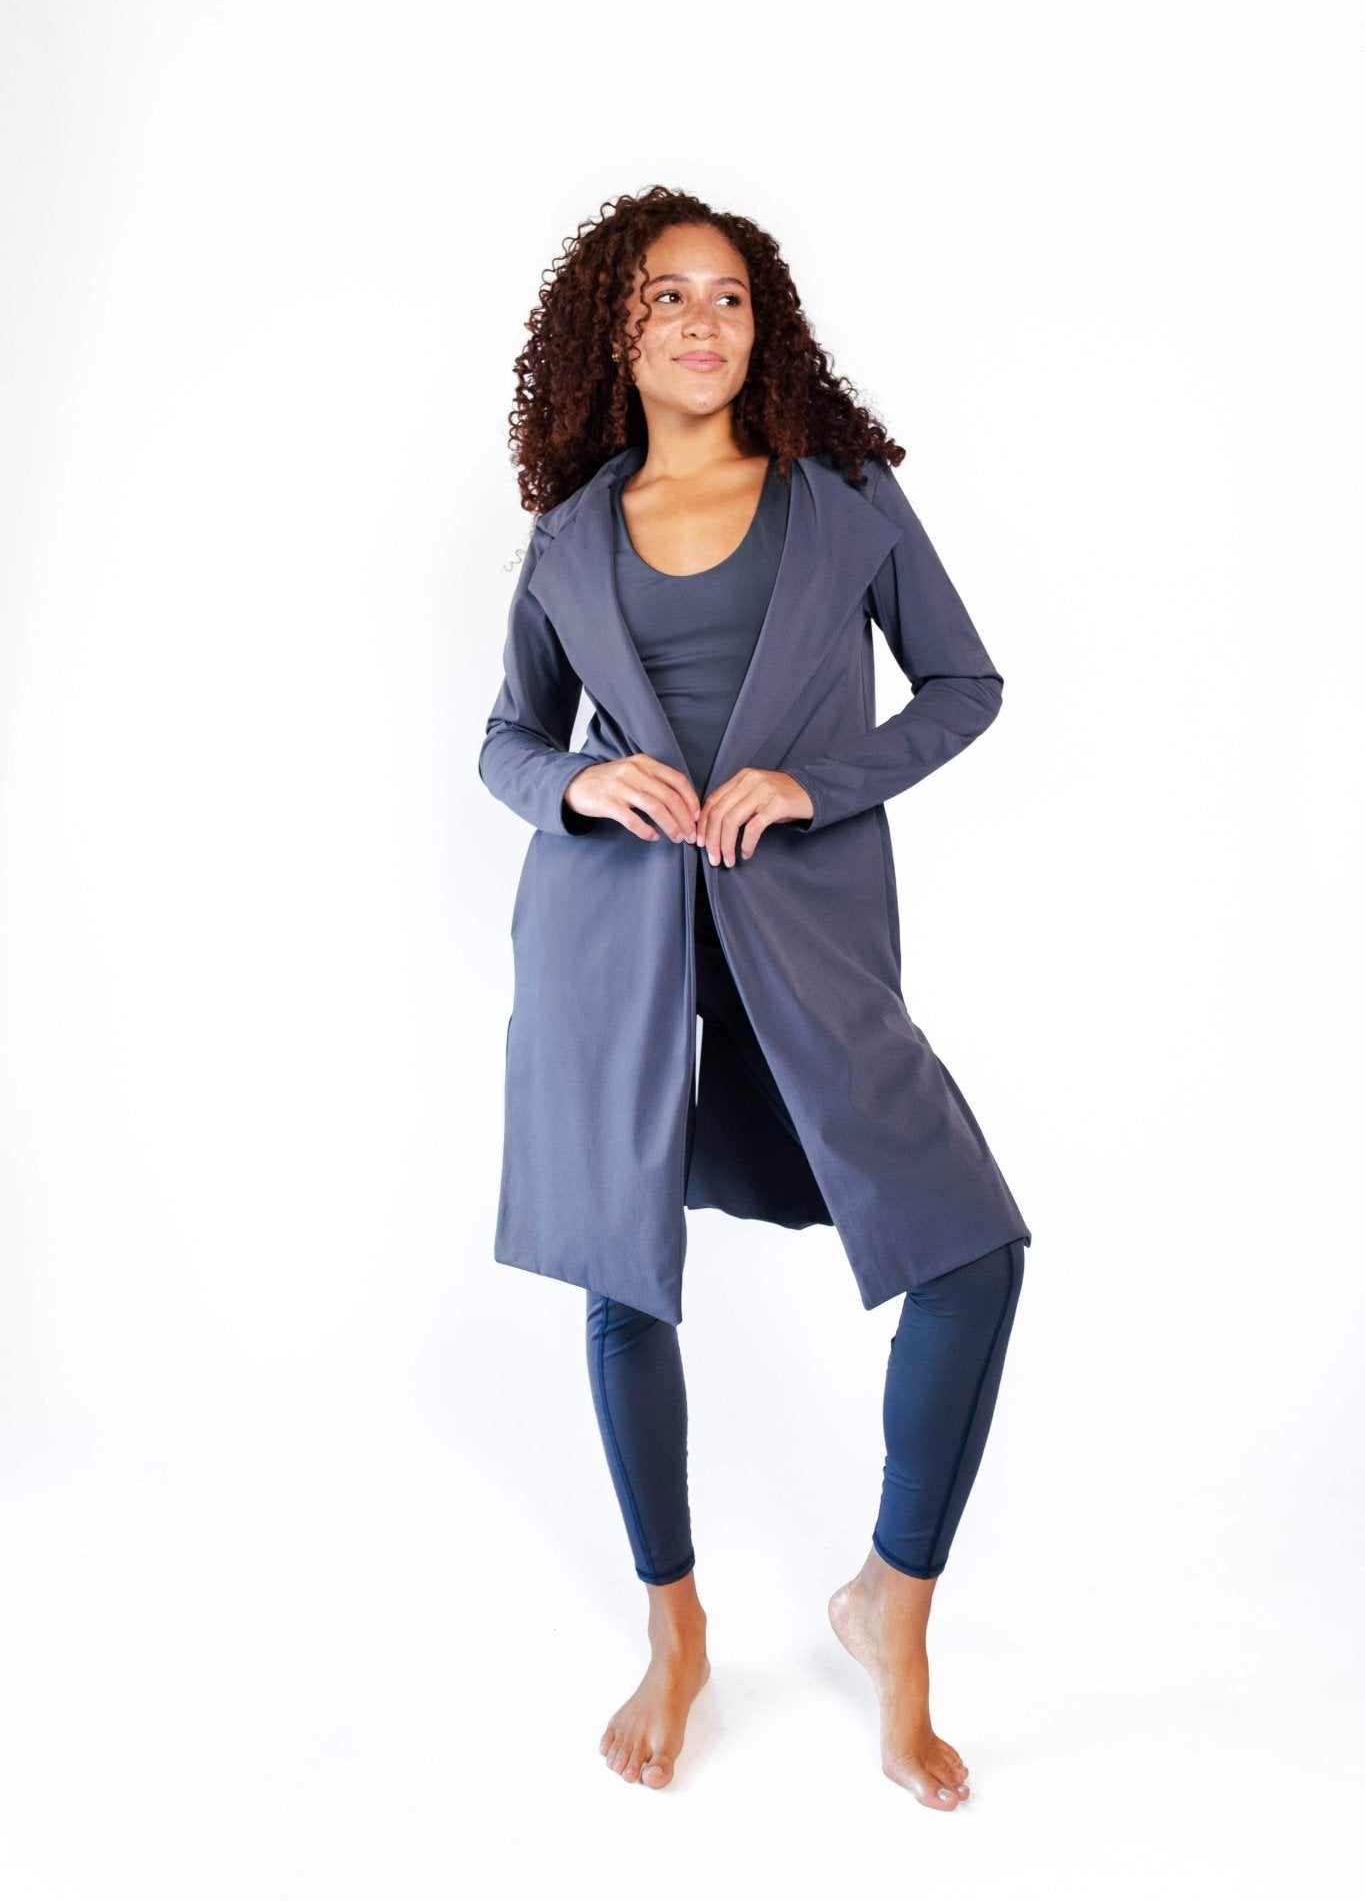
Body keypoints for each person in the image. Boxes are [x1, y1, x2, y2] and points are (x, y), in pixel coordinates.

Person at [480, 186, 1029, 1806]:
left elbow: (964, 684)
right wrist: (581, 787)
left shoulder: (839, 497)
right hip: (611, 952)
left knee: (971, 1253)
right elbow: (507, 741)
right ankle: (675, 1631)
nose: (701, 321)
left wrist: (811, 783)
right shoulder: (570, 537)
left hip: (808, 943)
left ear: (760, 323)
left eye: (727, 295)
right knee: (624, 1279)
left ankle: (889, 1606)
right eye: (666, 296)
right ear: (616, 328)